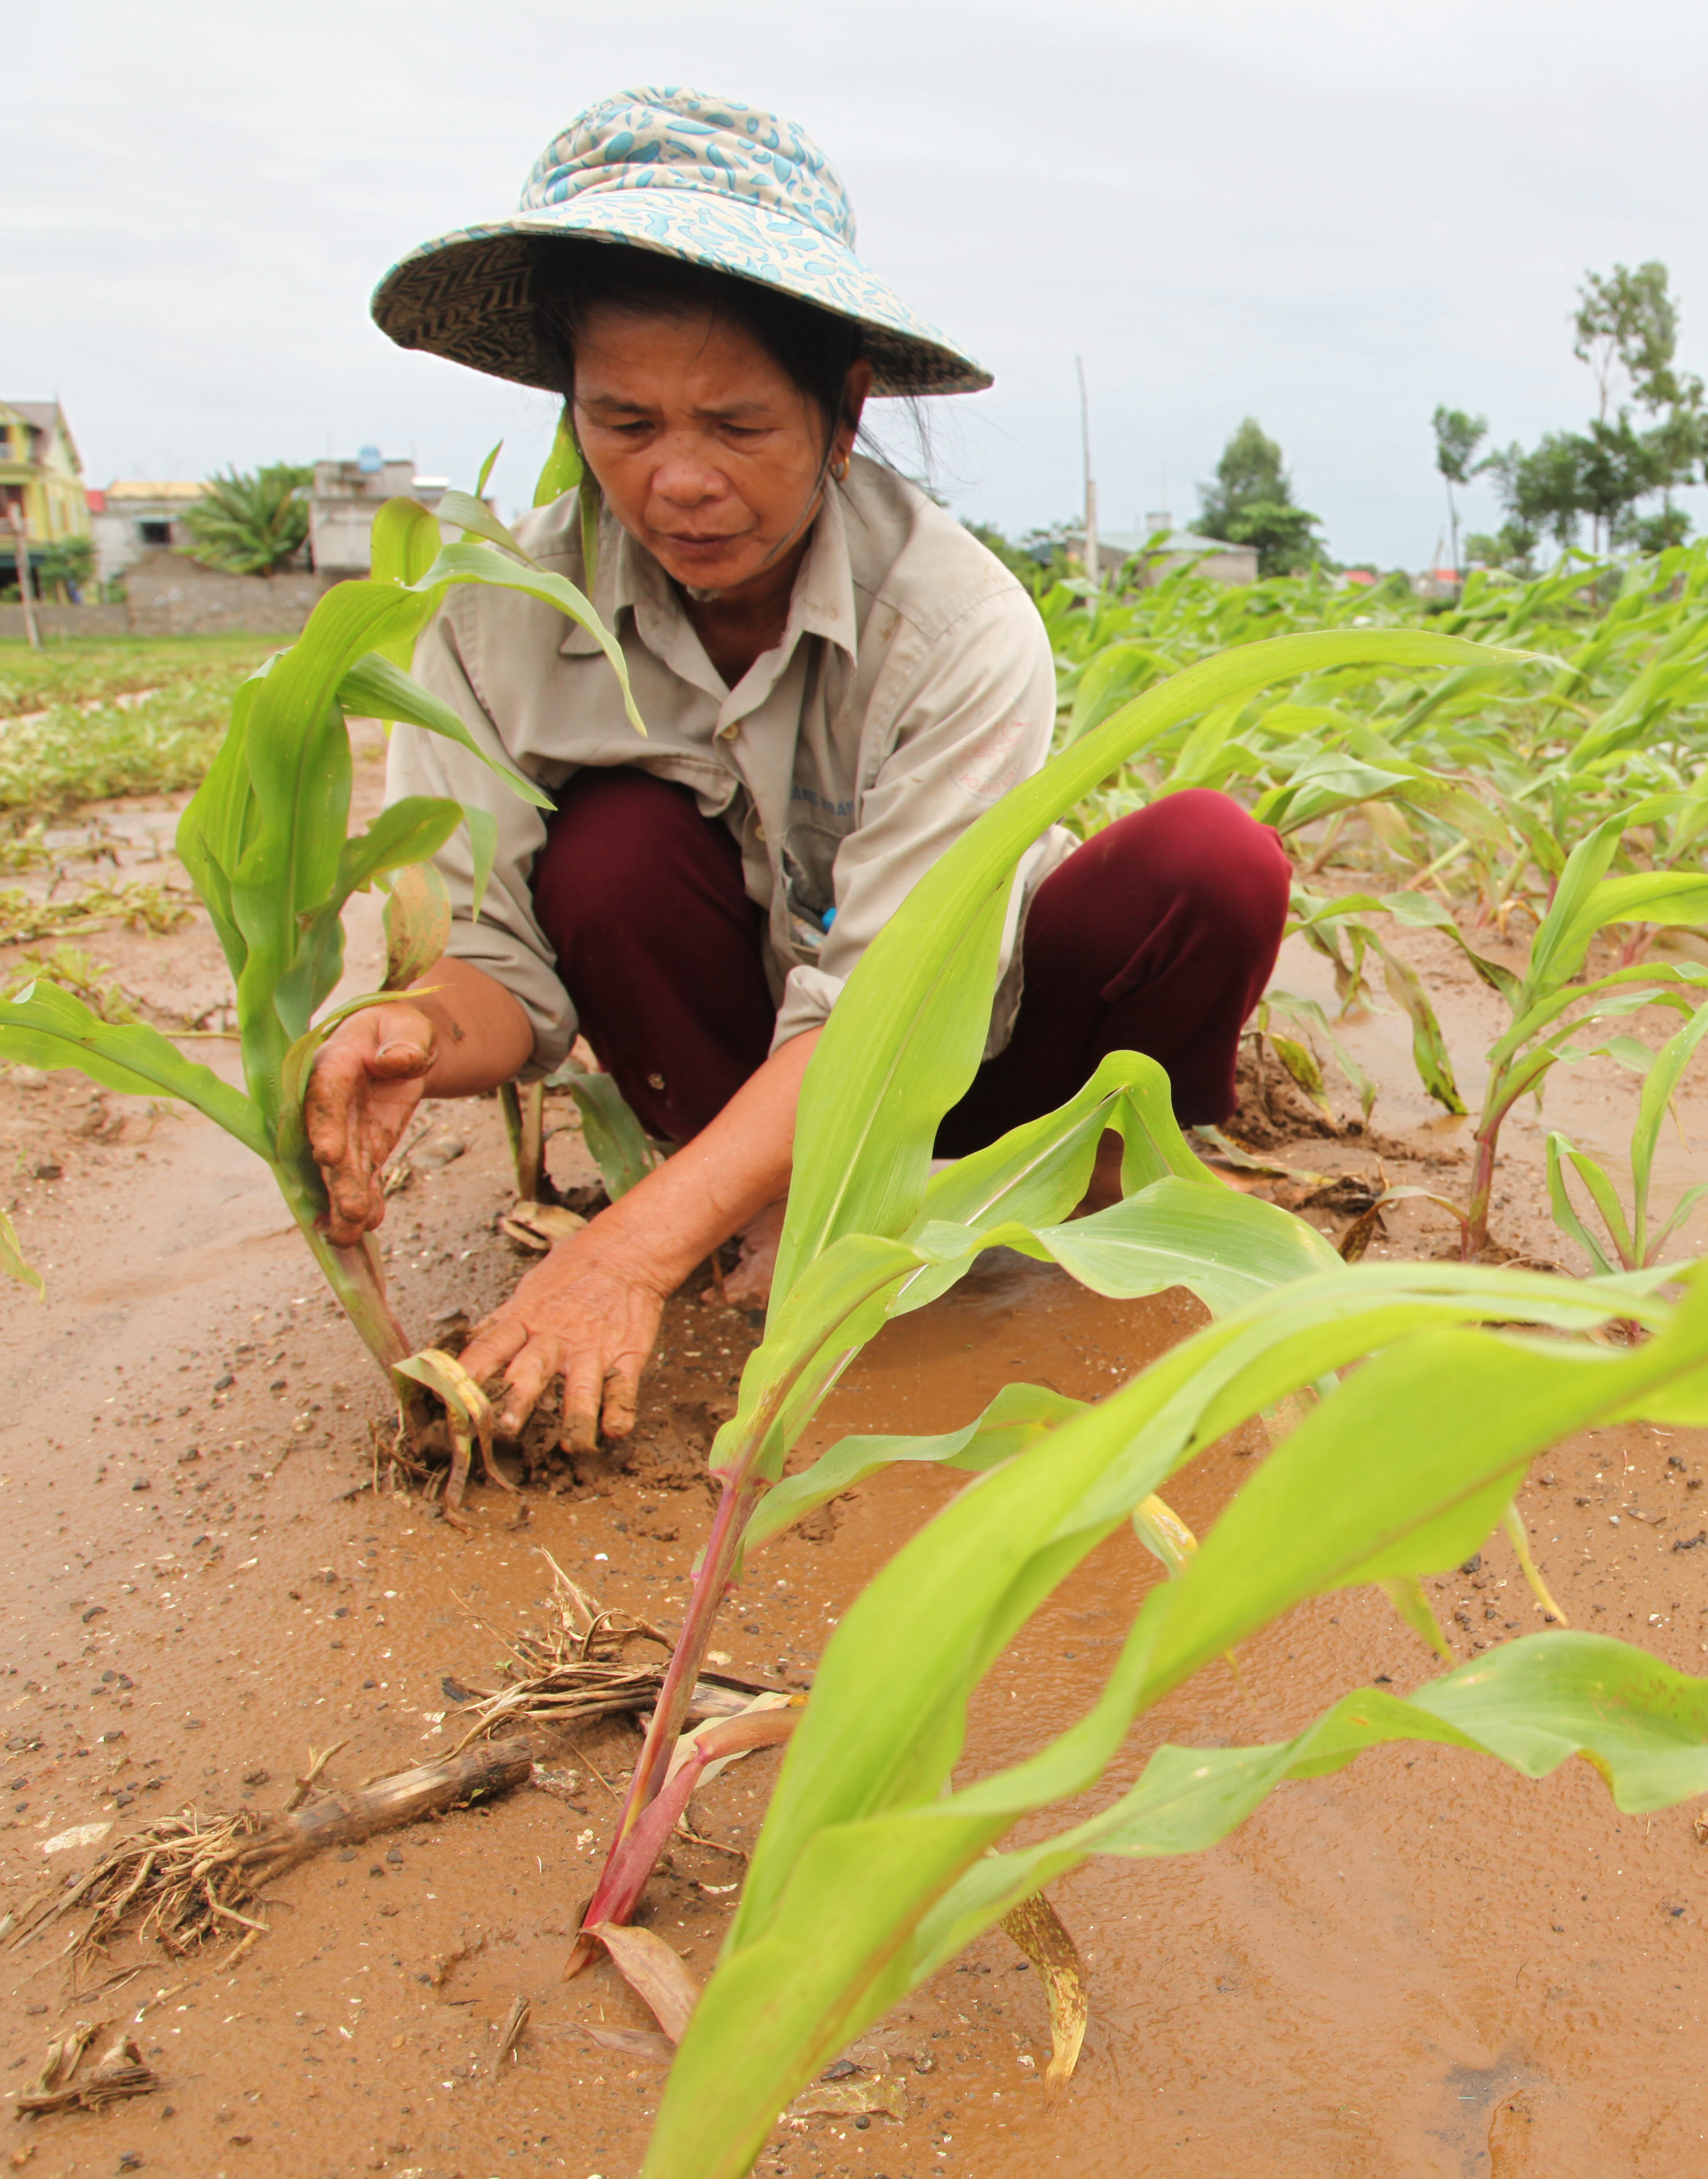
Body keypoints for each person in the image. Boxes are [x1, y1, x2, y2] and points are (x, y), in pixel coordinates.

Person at [315, 88, 1291, 1454]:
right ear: (570, 408)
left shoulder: (951, 620)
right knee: (611, 843)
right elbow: (497, 977)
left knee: (1209, 861)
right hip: (725, 1078)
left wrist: (622, 1257)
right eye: (628, 424)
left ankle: (1097, 1204)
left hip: (969, 1065)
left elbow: (884, 1016)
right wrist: (412, 1036)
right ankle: (761, 1210)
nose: (682, 483)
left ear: (843, 412)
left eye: (737, 424)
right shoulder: (495, 620)